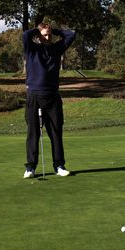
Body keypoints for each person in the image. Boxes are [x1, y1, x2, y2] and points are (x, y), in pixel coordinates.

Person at [22, 23, 76, 178]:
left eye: (50, 35)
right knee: (33, 133)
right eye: (45, 35)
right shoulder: (31, 49)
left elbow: (71, 34)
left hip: (52, 96)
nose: (48, 37)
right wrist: (38, 30)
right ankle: (30, 167)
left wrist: (54, 30)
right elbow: (25, 35)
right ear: (38, 36)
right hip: (34, 95)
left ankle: (59, 165)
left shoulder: (56, 48)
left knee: (56, 132)